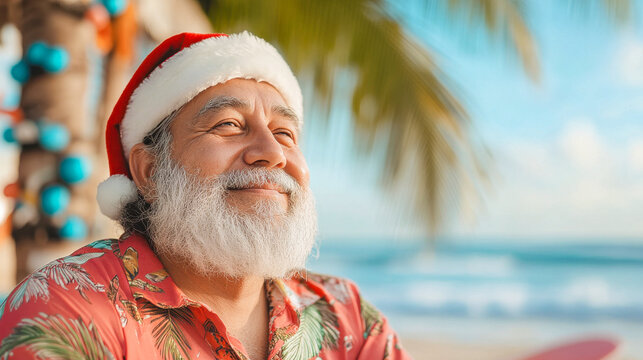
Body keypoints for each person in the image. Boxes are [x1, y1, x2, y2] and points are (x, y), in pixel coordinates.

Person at [0, 32, 411, 360]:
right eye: (229, 125)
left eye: (285, 133)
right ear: (150, 171)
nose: (271, 153)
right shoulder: (70, 307)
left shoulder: (346, 315)